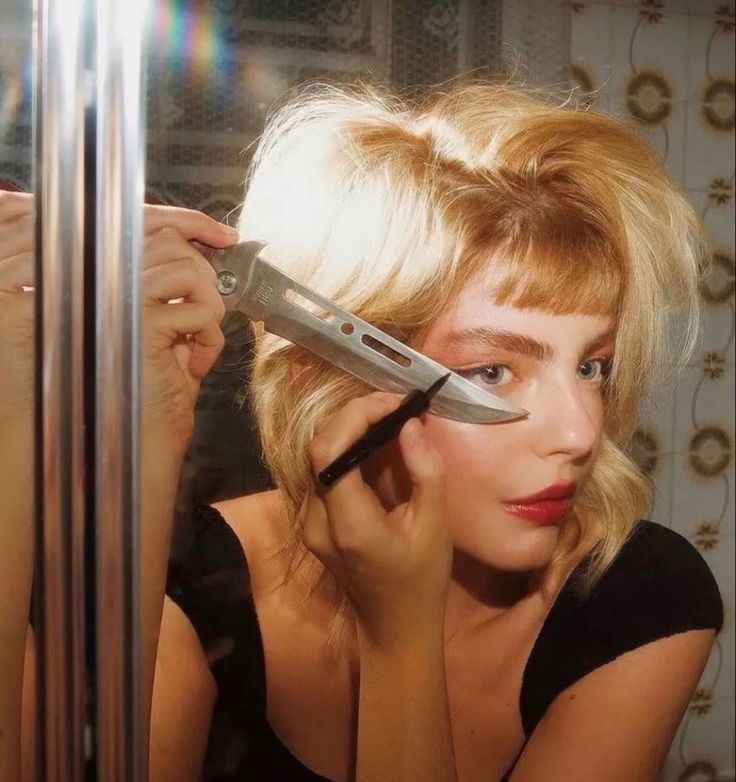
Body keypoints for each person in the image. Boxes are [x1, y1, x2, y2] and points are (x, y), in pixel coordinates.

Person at [3, 79, 724, 782]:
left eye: (593, 367)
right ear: (333, 374)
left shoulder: (640, 596)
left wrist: (399, 640)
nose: (579, 432)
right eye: (492, 372)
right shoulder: (190, 581)